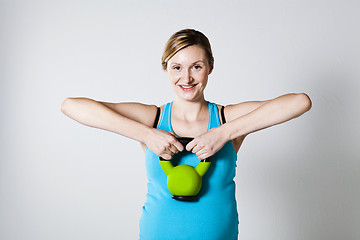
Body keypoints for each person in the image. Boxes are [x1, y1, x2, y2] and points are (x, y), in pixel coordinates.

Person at [61, 29, 312, 240]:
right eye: (177, 67)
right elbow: (71, 106)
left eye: (197, 66)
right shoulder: (153, 118)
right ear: (166, 69)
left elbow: (299, 102)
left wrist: (223, 134)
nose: (187, 77)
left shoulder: (228, 118)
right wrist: (147, 135)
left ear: (210, 67)